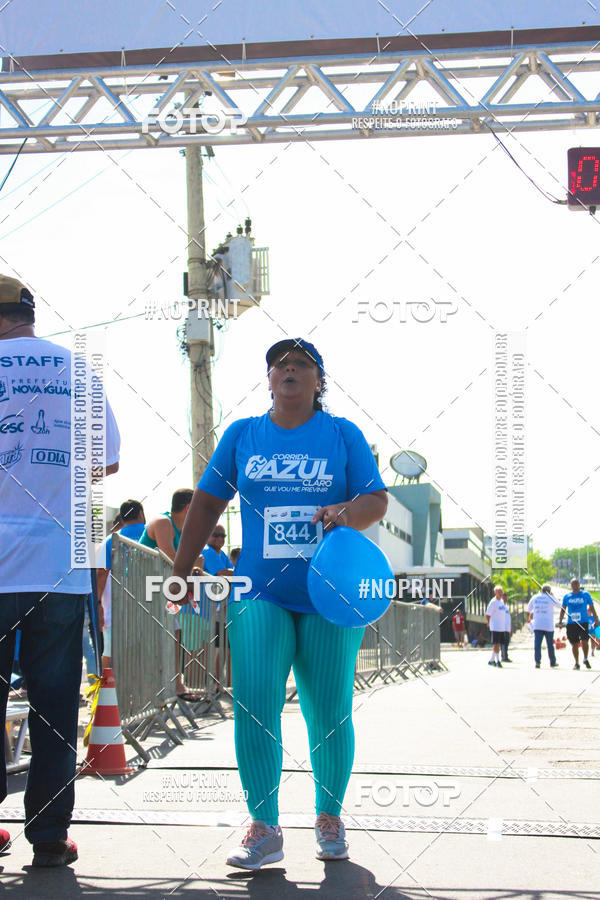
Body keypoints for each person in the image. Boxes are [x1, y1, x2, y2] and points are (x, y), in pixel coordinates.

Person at [172, 338, 388, 869]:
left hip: (329, 593)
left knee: (329, 710)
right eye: (279, 365)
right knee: (255, 706)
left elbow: (377, 499)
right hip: (259, 591)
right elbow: (205, 502)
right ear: (269, 381)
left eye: (301, 364)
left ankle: (329, 817)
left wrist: (346, 509)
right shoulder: (244, 436)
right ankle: (264, 827)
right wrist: (180, 571)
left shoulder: (343, 434)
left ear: (319, 381)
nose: (289, 370)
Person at [0, 275, 120, 866]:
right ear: (28, 314)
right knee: (52, 703)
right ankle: (48, 836)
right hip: (58, 563)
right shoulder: (76, 370)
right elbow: (107, 461)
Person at [139, 489, 202, 699]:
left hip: (156, 592)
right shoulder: (162, 522)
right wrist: (193, 568)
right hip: (136, 590)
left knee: (173, 635)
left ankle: (174, 683)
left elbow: (184, 566)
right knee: (136, 642)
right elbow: (170, 556)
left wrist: (192, 570)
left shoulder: (184, 531)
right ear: (188, 508)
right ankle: (135, 691)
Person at [96, 500, 146, 669]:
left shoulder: (111, 540)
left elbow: (101, 573)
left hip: (117, 609)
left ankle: (103, 692)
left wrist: (98, 604)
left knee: (109, 654)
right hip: (150, 605)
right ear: (140, 513)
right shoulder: (153, 534)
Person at [558, 578, 599, 670]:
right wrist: (560, 621)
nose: (575, 586)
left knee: (585, 640)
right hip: (572, 623)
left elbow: (591, 607)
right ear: (571, 585)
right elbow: (563, 609)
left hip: (583, 622)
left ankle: (585, 658)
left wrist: (596, 619)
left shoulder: (585, 594)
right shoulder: (567, 596)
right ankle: (576, 662)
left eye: (577, 584)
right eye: (573, 584)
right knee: (575, 643)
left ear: (579, 585)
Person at [527, 584, 560, 668]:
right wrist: (553, 595)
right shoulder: (550, 597)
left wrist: (528, 618)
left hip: (537, 625)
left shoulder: (535, 597)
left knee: (537, 644)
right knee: (550, 645)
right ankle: (552, 662)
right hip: (548, 625)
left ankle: (537, 662)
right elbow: (559, 605)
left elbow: (528, 609)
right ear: (549, 591)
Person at [486, 585, 508, 667]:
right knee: (496, 643)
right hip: (495, 626)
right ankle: (498, 660)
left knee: (498, 644)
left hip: (501, 627)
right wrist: (488, 622)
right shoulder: (493, 602)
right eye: (499, 591)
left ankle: (491, 660)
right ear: (495, 592)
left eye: (501, 591)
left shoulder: (501, 602)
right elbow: (488, 614)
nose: (500, 593)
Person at [501, 591, 512, 662]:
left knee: (507, 643)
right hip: (503, 628)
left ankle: (505, 655)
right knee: (504, 643)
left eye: (506, 597)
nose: (505, 598)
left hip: (507, 628)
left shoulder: (506, 607)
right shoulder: (501, 606)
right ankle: (504, 657)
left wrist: (510, 627)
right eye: (504, 597)